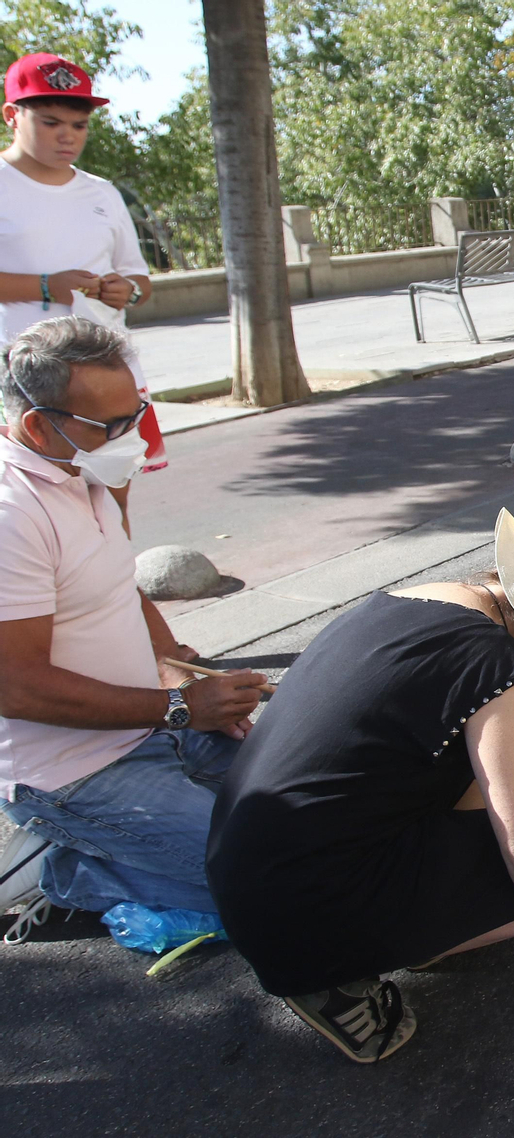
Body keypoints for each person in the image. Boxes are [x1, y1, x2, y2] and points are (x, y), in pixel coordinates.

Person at [207, 503, 514, 1063]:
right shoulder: (495, 667)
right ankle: (341, 975)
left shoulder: (428, 599)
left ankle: (415, 928)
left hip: (250, 875)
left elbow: (441, 775)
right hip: (306, 912)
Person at [0, 317, 265, 942]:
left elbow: (119, 582)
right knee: (266, 881)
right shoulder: (12, 515)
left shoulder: (85, 467)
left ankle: (121, 851)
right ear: (40, 424)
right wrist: (176, 707)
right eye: (113, 425)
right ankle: (70, 871)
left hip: (156, 721)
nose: (133, 435)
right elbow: (14, 686)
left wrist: (176, 666)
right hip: (76, 770)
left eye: (137, 413)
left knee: (324, 808)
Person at [0, 53, 166, 500]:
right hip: (26, 378)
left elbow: (139, 281)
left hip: (106, 378)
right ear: (12, 115)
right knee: (30, 504)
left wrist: (126, 292)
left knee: (113, 497)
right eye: (52, 122)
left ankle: (115, 572)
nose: (67, 136)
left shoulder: (102, 192)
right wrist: (44, 285)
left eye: (79, 125)